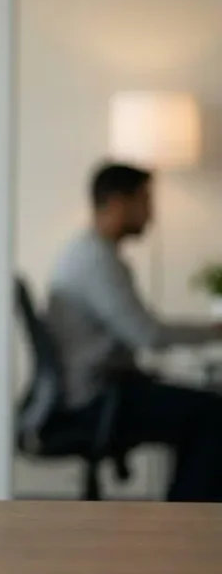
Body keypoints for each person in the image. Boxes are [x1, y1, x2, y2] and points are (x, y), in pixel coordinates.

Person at [46, 161, 222, 501]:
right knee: (214, 415)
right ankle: (187, 522)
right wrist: (215, 332)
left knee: (204, 408)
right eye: (144, 202)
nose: (151, 215)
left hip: (100, 386)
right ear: (117, 203)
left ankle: (185, 513)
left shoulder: (89, 252)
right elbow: (148, 335)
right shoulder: (96, 261)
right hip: (98, 398)